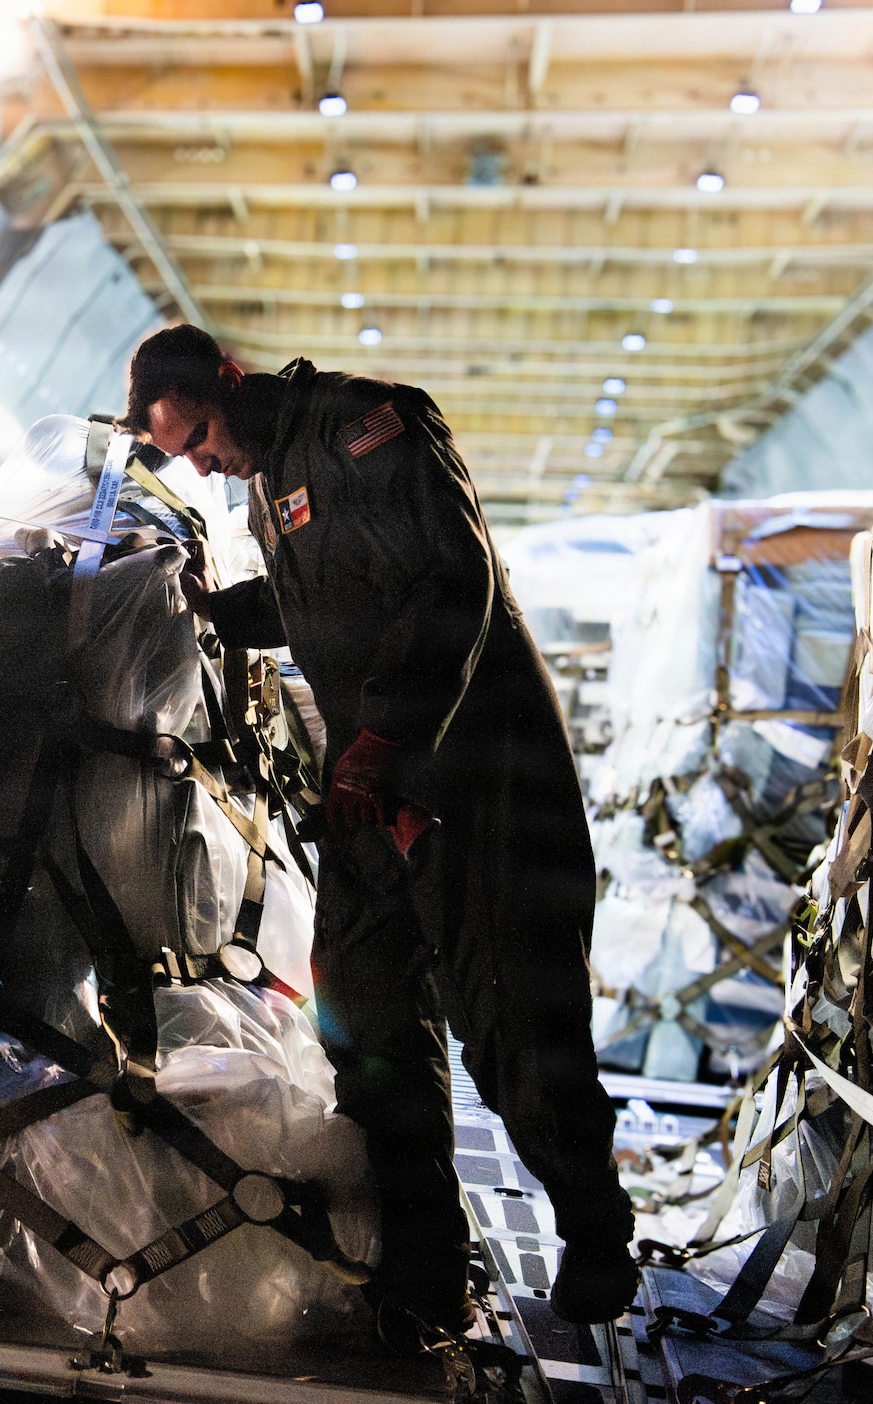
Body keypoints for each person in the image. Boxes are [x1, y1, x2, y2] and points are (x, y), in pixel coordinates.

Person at [121, 325, 636, 1343]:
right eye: (182, 455)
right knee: (361, 1017)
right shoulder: (270, 477)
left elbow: (452, 583)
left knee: (515, 1034)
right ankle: (423, 1266)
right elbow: (323, 598)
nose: (202, 463)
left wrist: (384, 738)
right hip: (368, 787)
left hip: (476, 775)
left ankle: (594, 1229)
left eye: (200, 437)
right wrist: (216, 612)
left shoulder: (369, 425)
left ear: (229, 379)